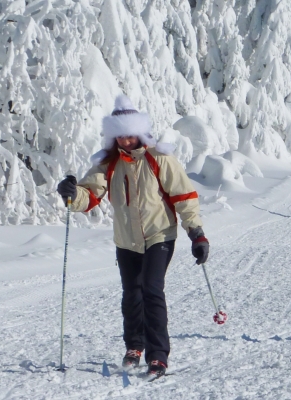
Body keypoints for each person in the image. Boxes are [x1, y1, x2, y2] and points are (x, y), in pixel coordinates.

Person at [56, 95, 208, 379]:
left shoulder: (159, 159)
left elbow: (184, 197)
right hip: (126, 240)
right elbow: (89, 196)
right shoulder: (109, 164)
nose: (125, 141)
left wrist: (196, 234)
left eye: (129, 135)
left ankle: (158, 356)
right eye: (120, 136)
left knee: (151, 290)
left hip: (159, 235)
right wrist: (71, 192)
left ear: (139, 132)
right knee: (131, 295)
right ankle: (134, 347)